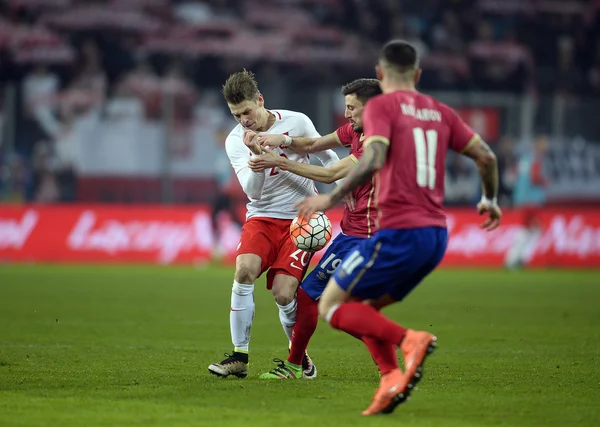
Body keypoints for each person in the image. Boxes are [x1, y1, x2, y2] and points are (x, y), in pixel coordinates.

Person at [296, 40, 502, 415]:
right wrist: (490, 199)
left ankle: (410, 341)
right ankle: (390, 377)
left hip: (397, 232)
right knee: (364, 307)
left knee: (331, 305)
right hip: (436, 236)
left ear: (379, 74)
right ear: (418, 75)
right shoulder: (441, 112)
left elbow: (372, 156)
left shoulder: (382, 107)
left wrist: (329, 197)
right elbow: (486, 157)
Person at [247, 78, 383, 379]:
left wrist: (279, 163)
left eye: (351, 108)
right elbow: (313, 144)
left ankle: (296, 364)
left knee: (312, 296)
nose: (346, 114)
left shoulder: (376, 142)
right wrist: (283, 141)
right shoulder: (356, 131)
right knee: (336, 303)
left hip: (367, 236)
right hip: (353, 231)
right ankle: (384, 348)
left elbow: (330, 172)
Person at [208, 70, 340, 379]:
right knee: (243, 270)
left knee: (283, 294)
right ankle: (239, 356)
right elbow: (252, 191)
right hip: (262, 218)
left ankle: (299, 356)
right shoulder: (235, 141)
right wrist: (257, 156)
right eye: (236, 115)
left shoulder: (297, 122)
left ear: (260, 101)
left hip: (301, 220)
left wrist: (345, 189)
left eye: (247, 112)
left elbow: (328, 157)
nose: (244, 120)